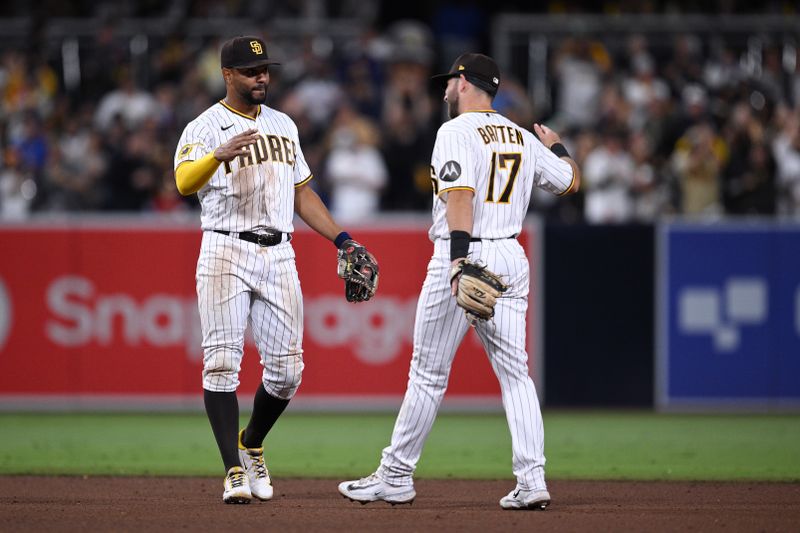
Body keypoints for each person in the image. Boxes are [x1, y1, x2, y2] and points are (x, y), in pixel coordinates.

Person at [338, 53, 580, 510]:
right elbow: (569, 182)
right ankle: (532, 481)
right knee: (516, 374)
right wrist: (558, 145)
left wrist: (458, 261)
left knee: (427, 373)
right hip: (510, 252)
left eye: (450, 81)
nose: (445, 89)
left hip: (466, 249)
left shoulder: (454, 130)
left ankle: (395, 476)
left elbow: (460, 196)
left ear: (465, 82)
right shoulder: (523, 137)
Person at [174, 36, 377, 504]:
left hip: (279, 253)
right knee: (222, 363)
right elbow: (184, 182)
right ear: (228, 75)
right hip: (225, 247)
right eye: (250, 71)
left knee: (287, 372)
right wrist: (217, 156)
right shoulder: (204, 127)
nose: (261, 77)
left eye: (264, 69)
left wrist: (343, 239)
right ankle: (232, 471)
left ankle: (252, 443)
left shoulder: (284, 125)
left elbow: (303, 192)